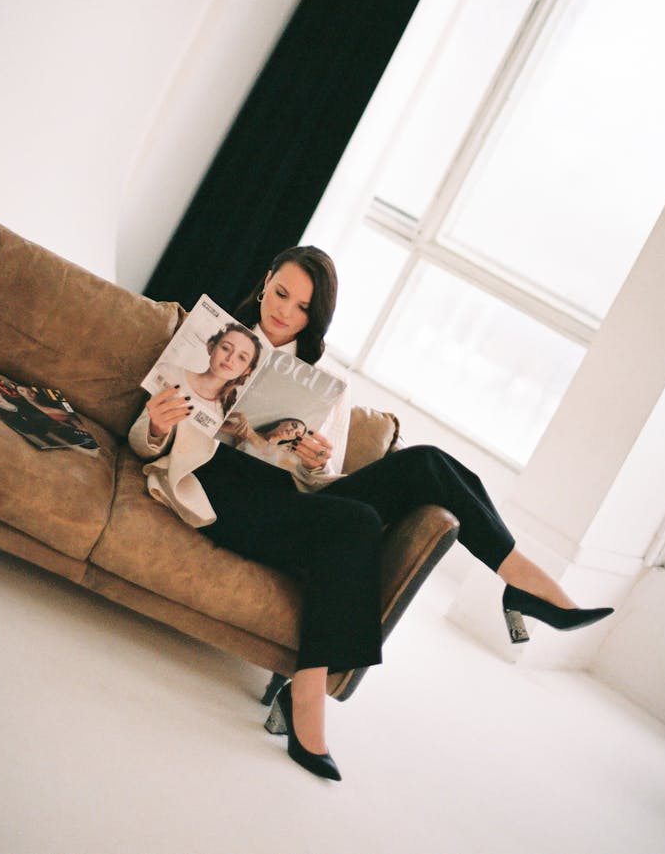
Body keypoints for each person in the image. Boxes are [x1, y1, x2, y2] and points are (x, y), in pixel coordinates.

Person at [129, 246, 613, 782]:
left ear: (316, 318)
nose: (285, 312)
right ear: (265, 283)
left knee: (428, 462)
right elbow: (147, 446)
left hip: (291, 500)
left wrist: (312, 460)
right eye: (281, 293)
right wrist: (155, 425)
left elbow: (322, 477)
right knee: (355, 522)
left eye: (302, 307)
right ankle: (308, 694)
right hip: (227, 497)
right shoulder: (212, 339)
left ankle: (522, 578)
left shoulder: (323, 384)